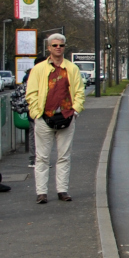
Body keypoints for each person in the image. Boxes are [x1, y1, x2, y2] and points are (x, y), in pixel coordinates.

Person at [25, 34, 85, 204]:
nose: (58, 47)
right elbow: (31, 92)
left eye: (61, 45)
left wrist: (75, 110)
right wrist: (37, 113)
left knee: (64, 156)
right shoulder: (39, 69)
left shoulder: (72, 69)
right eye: (55, 45)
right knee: (42, 157)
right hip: (44, 117)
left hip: (66, 116)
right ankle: (41, 192)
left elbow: (79, 91)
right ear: (49, 48)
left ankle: (62, 190)